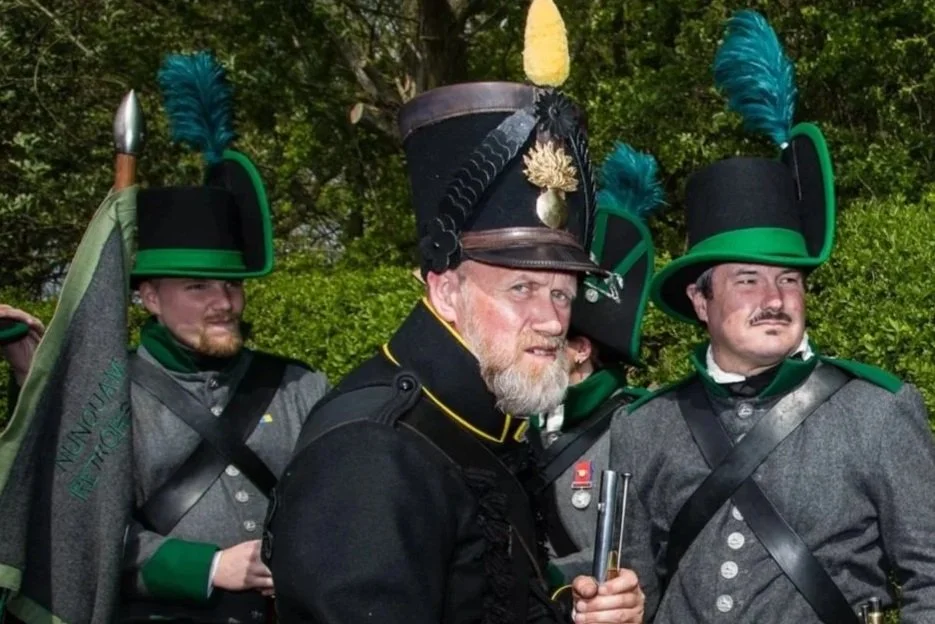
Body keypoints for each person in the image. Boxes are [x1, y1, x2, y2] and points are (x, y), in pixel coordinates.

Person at [265, 1, 643, 622]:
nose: (552, 319)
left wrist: (574, 611)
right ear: (445, 291)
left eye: (561, 292)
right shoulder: (371, 455)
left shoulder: (483, 415)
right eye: (521, 289)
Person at [609, 10, 935, 623]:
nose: (776, 298)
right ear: (701, 301)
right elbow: (633, 592)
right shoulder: (642, 427)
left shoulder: (878, 410)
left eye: (788, 279)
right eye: (748, 280)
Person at [114, 53, 329, 623]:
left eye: (232, 285)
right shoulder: (110, 399)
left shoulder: (299, 386)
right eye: (197, 286)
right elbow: (79, 540)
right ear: (149, 297)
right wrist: (208, 567)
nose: (224, 302)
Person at [527, 144, 662, 584]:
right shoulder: (517, 424)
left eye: (552, 340)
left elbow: (643, 559)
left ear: (582, 349)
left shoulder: (638, 424)